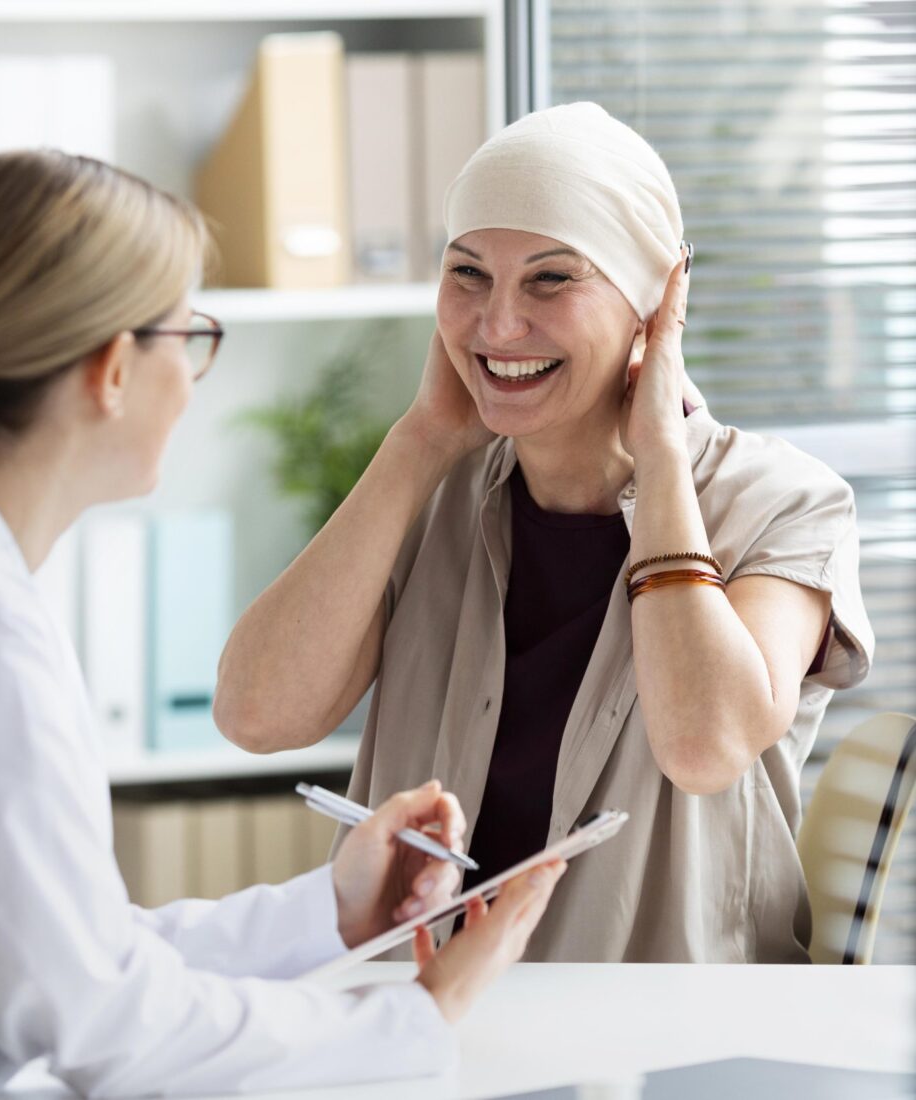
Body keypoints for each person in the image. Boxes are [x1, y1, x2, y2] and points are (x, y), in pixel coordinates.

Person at [0, 150, 568, 1100]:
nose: (192, 377)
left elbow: (71, 950)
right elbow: (101, 1022)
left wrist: (330, 912)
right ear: (110, 371)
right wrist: (416, 1015)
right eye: (189, 336)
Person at [214, 102, 875, 964]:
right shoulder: (432, 489)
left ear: (653, 305)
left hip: (664, 1046)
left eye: (552, 278)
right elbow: (257, 716)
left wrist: (661, 460)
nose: (497, 325)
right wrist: (418, 442)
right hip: (425, 1022)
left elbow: (705, 745)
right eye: (468, 274)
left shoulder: (782, 503)